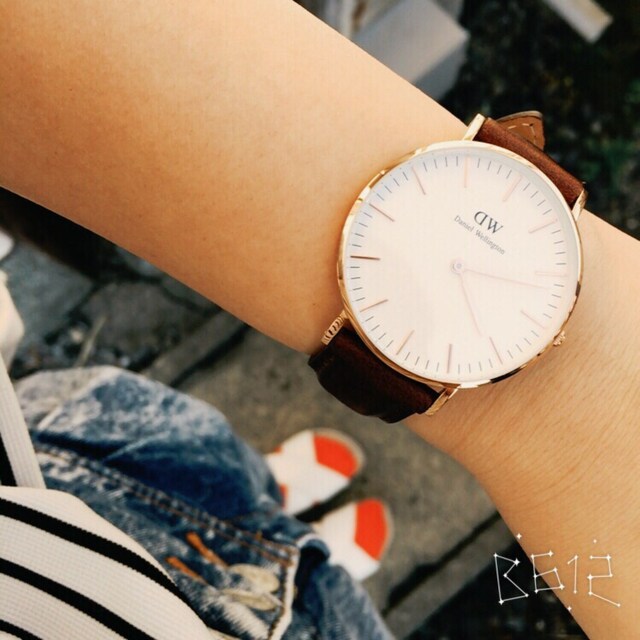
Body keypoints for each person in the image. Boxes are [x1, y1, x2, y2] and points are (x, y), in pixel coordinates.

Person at [0, 1, 637, 638]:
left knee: (205, 474)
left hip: (59, 481)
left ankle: (259, 515)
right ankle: (287, 553)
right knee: (284, 562)